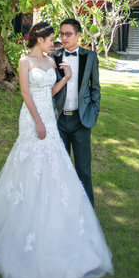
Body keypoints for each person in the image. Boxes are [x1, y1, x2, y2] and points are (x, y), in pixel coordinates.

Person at [0, 21, 113, 278]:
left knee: (56, 166)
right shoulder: (24, 60)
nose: (55, 42)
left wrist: (64, 79)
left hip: (50, 120)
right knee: (27, 164)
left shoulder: (52, 62)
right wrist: (38, 121)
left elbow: (50, 92)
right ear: (39, 39)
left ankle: (56, 220)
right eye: (51, 38)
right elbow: (26, 93)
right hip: (32, 120)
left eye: (58, 37)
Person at [53, 18, 100, 207]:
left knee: (83, 169)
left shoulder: (90, 57)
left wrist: (93, 112)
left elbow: (95, 87)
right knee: (60, 168)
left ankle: (87, 209)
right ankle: (61, 207)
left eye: (68, 34)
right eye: (61, 34)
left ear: (78, 35)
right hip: (60, 120)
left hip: (81, 121)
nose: (64, 38)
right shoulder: (53, 56)